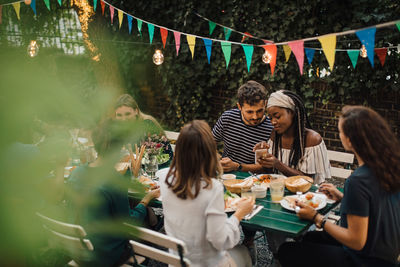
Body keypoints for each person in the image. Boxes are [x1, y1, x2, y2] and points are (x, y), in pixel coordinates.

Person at [277, 105, 400, 267]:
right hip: (387, 253)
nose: (339, 135)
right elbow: (375, 205)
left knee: (287, 250)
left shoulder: (357, 180)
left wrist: (316, 217)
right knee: (310, 238)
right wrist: (344, 198)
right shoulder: (389, 167)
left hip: (365, 260)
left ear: (349, 140)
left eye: (340, 131)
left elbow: (357, 241)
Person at [158, 120, 254, 267]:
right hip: (206, 263)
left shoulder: (165, 178)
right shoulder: (212, 188)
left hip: (178, 261)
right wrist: (239, 214)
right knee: (243, 253)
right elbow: (220, 240)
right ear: (209, 150)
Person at [66, 120, 160, 266]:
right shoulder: (113, 181)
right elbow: (129, 222)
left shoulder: (76, 173)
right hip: (105, 256)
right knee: (150, 218)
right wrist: (146, 199)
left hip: (79, 251)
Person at [254, 89, 331, 184]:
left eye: (277, 116)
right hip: (281, 190)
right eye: (270, 118)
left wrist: (278, 164)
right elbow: (270, 173)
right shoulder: (275, 135)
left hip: (308, 194)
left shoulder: (312, 139)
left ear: (293, 113)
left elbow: (307, 180)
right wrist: (263, 156)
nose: (273, 122)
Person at [213, 80, 273, 172]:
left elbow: (265, 166)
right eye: (249, 112)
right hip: (226, 175)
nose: (255, 117)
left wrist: (237, 166)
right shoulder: (227, 118)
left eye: (259, 111)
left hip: (255, 180)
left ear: (265, 104)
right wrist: (217, 161)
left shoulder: (271, 128)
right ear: (239, 107)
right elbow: (210, 143)